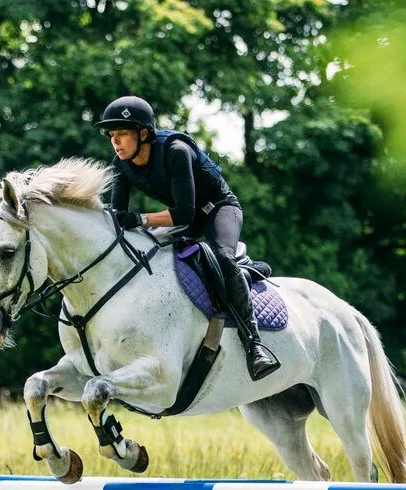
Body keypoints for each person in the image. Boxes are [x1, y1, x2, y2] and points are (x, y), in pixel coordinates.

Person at [95, 96, 281, 381]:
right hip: (182, 216)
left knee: (222, 257)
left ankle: (254, 344)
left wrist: (141, 219)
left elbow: (183, 214)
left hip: (217, 209)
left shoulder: (176, 151)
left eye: (122, 134)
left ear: (143, 133)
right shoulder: (122, 163)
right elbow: (119, 215)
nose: (115, 142)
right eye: (112, 135)